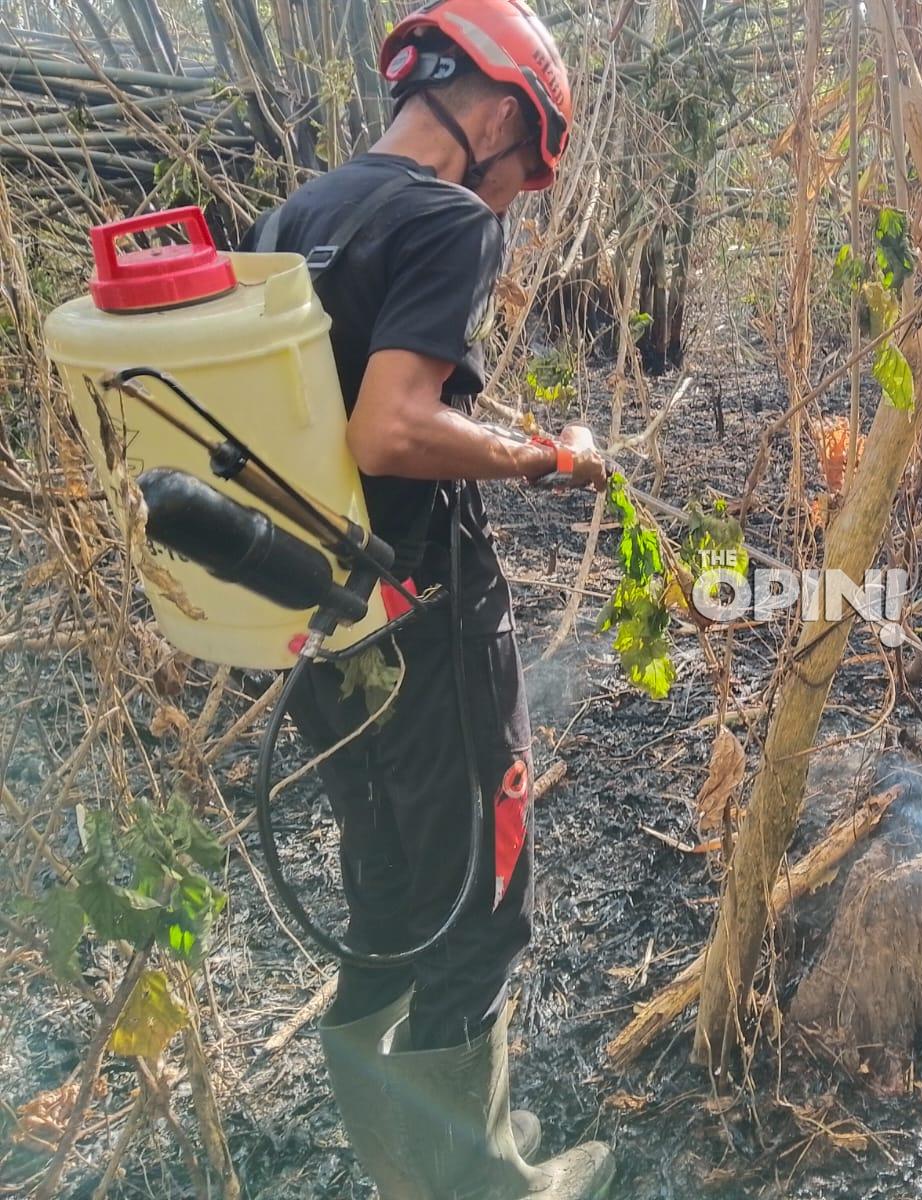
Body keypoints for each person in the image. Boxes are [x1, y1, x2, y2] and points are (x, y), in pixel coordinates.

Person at [243, 1, 614, 1196]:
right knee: (481, 896)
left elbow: (334, 414)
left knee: (388, 886)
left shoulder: (301, 214)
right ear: (501, 112)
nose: (514, 197)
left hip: (313, 627)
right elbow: (392, 424)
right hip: (422, 615)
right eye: (528, 167)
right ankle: (486, 1187)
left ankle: (403, 1173)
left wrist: (488, 431)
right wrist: (546, 462)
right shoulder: (450, 216)